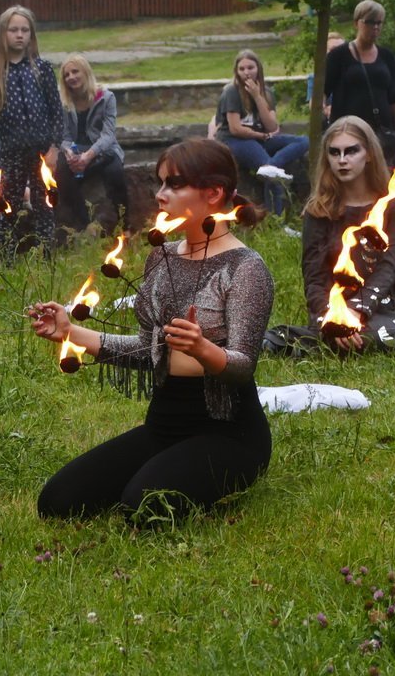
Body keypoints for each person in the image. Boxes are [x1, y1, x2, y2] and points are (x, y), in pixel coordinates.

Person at [32, 139, 273, 523]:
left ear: (213, 193)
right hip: (164, 425)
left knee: (142, 508)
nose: (160, 195)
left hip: (229, 434)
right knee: (58, 502)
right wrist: (70, 332)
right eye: (159, 183)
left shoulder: (246, 268)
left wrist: (201, 349)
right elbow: (148, 351)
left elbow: (243, 365)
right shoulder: (160, 256)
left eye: (174, 184)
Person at [262, 116, 395, 357]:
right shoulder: (319, 209)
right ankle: (330, 341)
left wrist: (357, 312)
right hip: (328, 312)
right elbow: (314, 279)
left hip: (380, 312)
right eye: (334, 153)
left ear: (368, 154)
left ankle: (323, 347)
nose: (342, 160)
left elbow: (388, 269)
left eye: (351, 151)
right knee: (268, 339)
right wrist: (335, 319)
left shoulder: (394, 207)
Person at [0, 5, 63, 259]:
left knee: (45, 203)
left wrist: (55, 148)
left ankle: (46, 256)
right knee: (7, 205)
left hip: (42, 151)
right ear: (4, 33)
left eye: (25, 30)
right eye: (13, 29)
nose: (19, 35)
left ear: (31, 34)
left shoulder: (42, 68)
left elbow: (56, 110)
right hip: (11, 152)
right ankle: (6, 257)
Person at [214, 49, 310, 215]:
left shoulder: (267, 93)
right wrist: (261, 136)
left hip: (259, 138)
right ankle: (276, 222)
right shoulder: (231, 92)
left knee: (303, 141)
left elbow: (272, 126)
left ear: (258, 68)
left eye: (250, 67)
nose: (246, 73)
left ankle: (272, 165)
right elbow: (235, 128)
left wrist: (258, 97)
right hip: (234, 140)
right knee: (273, 178)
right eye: (242, 69)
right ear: (236, 72)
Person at [324, 0, 395, 167]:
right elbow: (321, 92)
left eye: (378, 23)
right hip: (348, 133)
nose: (375, 27)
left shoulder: (386, 56)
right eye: (369, 22)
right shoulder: (338, 56)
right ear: (357, 23)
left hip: (381, 133)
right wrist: (327, 113)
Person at [54, 54, 128, 235]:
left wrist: (89, 155)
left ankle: (125, 225)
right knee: (62, 173)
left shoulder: (106, 97)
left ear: (85, 72)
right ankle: (84, 225)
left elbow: (108, 135)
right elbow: (63, 135)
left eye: (75, 71)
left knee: (115, 172)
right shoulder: (63, 102)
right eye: (66, 74)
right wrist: (69, 153)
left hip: (103, 150)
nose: (71, 77)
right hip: (75, 151)